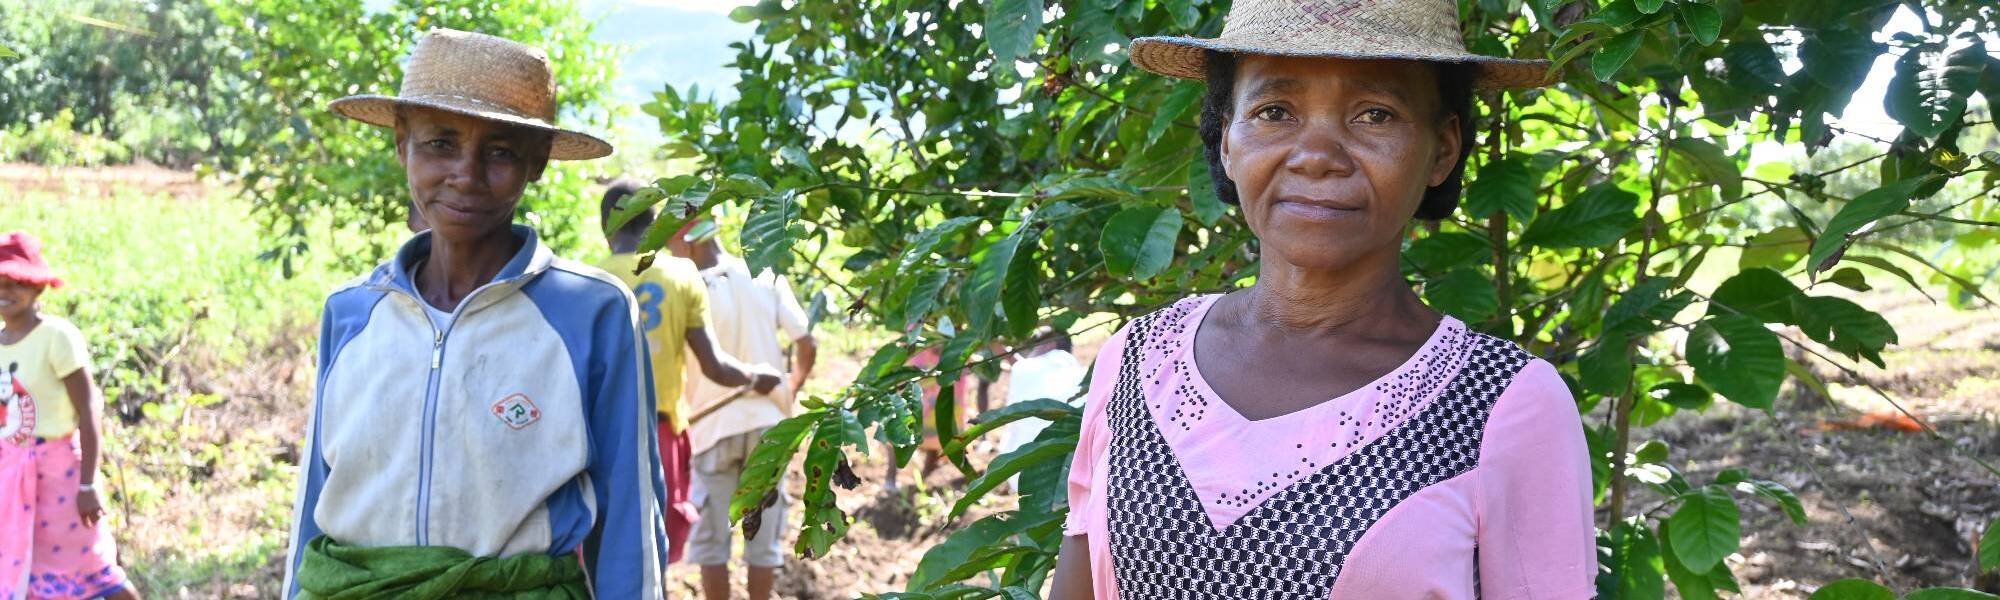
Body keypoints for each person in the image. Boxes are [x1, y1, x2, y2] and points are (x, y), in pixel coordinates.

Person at [1049, 1, 1595, 598]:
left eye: (1375, 115)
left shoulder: (1503, 404)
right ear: (1226, 139)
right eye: (1274, 111)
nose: (1316, 156)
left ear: (1442, 149)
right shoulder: (1138, 358)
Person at [282, 29, 666, 598]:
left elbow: (629, 514)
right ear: (402, 144)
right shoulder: (353, 313)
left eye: (501, 152)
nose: (466, 173)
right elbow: (315, 501)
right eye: (440, 143)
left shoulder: (591, 313)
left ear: (537, 162)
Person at [596, 178, 785, 571]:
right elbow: (714, 366)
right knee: (656, 548)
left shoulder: (588, 280)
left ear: (605, 227)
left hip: (603, 437)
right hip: (661, 435)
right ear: (655, 226)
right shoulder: (680, 275)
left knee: (607, 547)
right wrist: (755, 377)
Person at [669, 218, 817, 600]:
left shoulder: (684, 288)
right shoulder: (764, 274)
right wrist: (790, 389)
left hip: (711, 428)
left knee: (711, 544)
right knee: (762, 540)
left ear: (686, 240)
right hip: (769, 427)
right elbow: (807, 342)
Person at [0, 232, 140, 600]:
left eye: (16, 283)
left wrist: (87, 484)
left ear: (37, 287)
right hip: (13, 476)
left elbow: (88, 407)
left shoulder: (56, 337)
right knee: (23, 570)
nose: (5, 291)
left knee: (91, 565)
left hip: (60, 474)